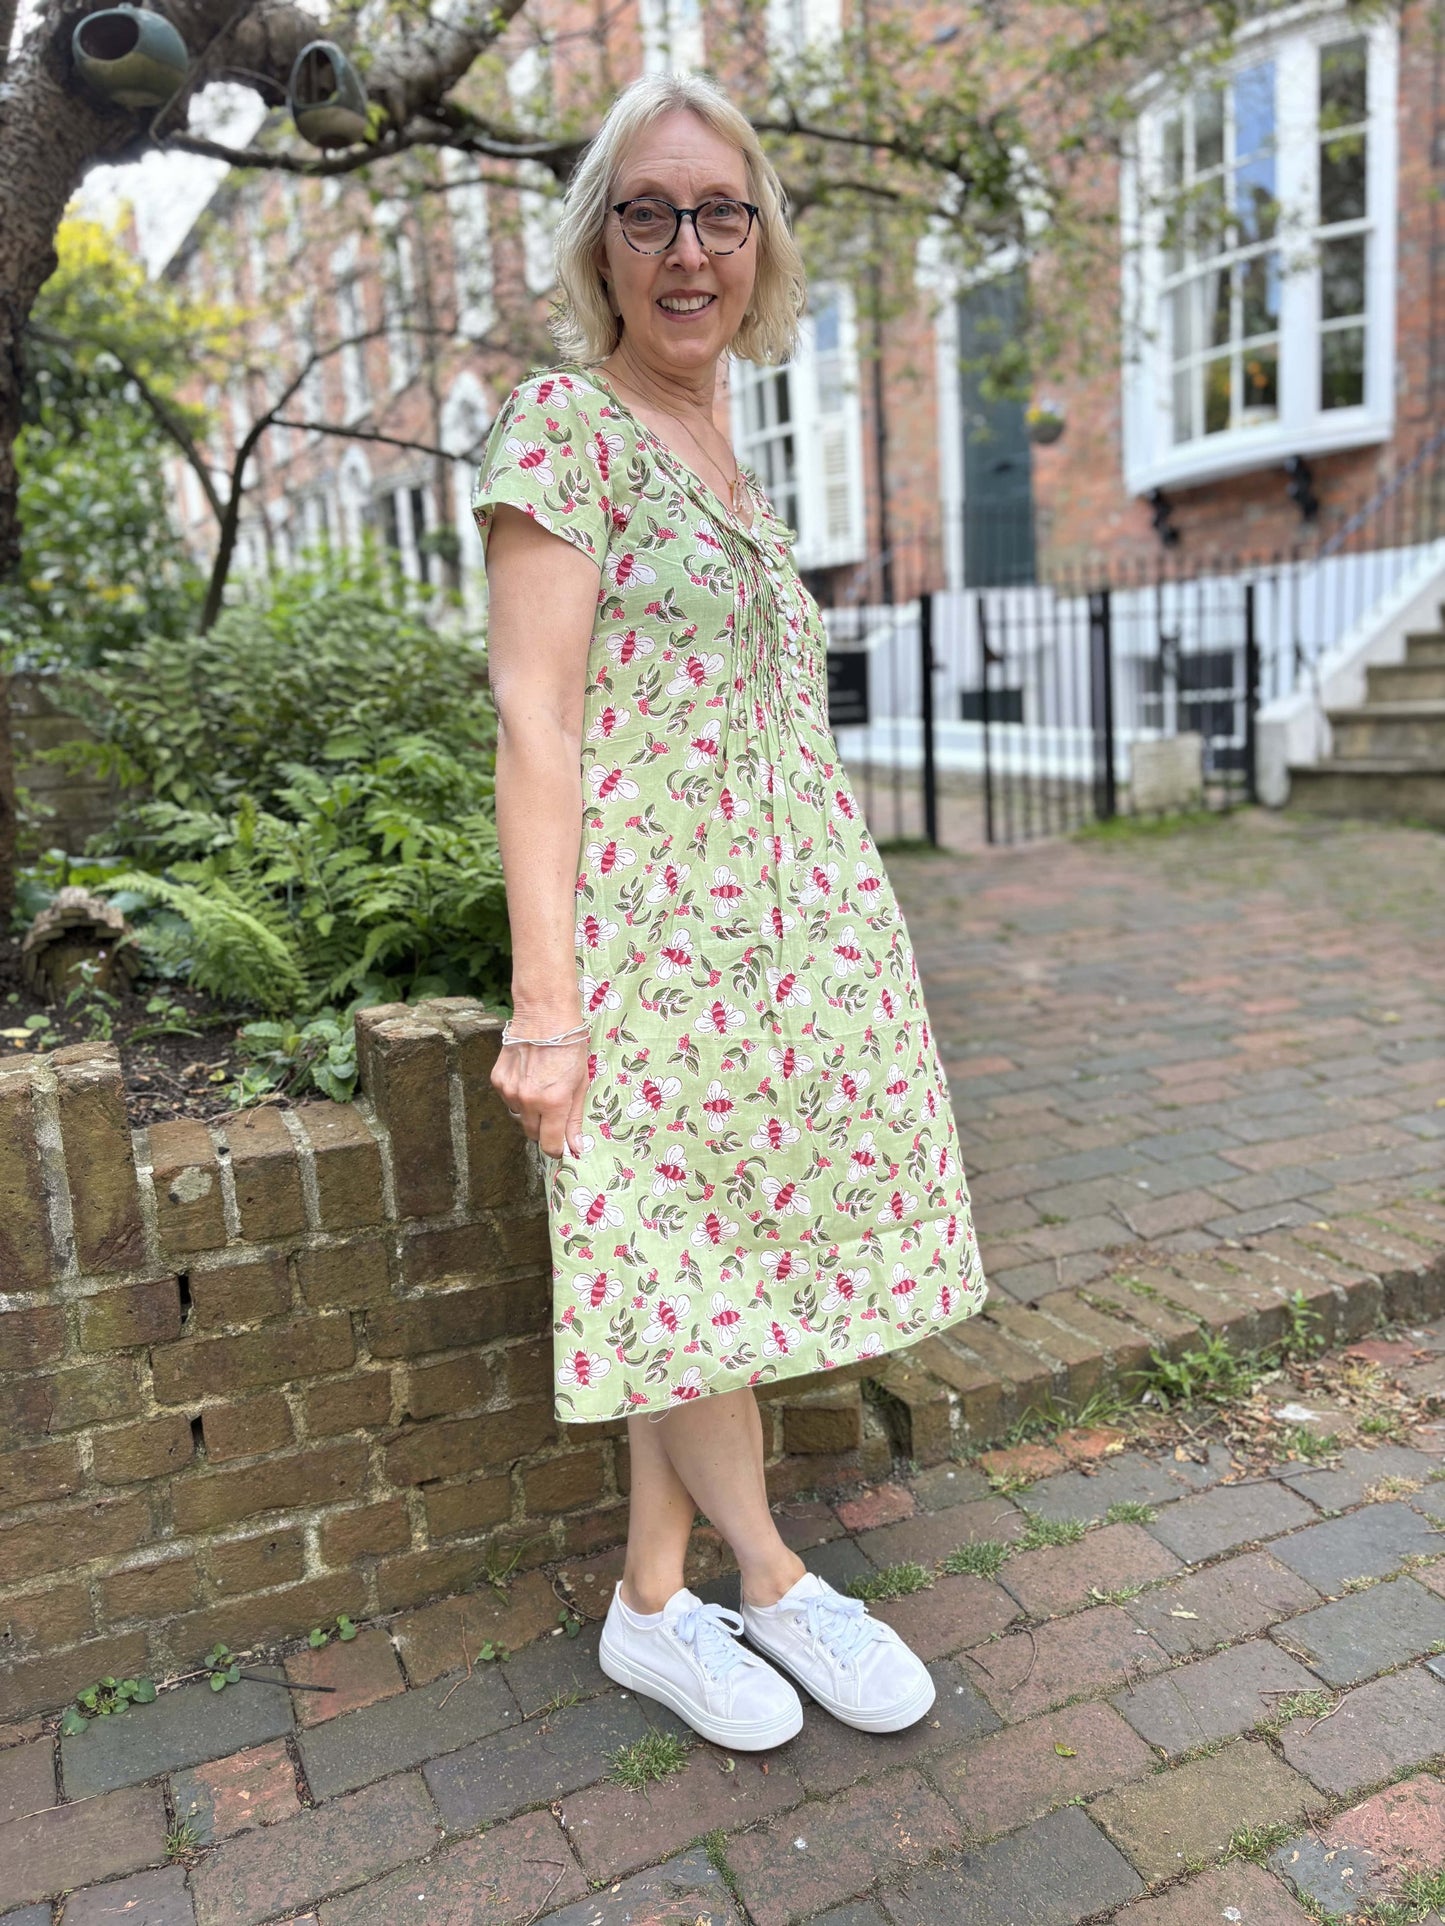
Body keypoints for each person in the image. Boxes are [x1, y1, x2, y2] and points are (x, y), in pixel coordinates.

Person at [472, 69, 989, 1753]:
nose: (686, 249)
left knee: (684, 1273)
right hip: (649, 945)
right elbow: (537, 720)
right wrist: (546, 1001)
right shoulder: (563, 425)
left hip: (785, 938)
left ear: (757, 241)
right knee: (682, 1263)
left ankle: (647, 1602)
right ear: (600, 245)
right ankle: (770, 1578)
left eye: (718, 212)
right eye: (648, 213)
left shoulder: (722, 434)